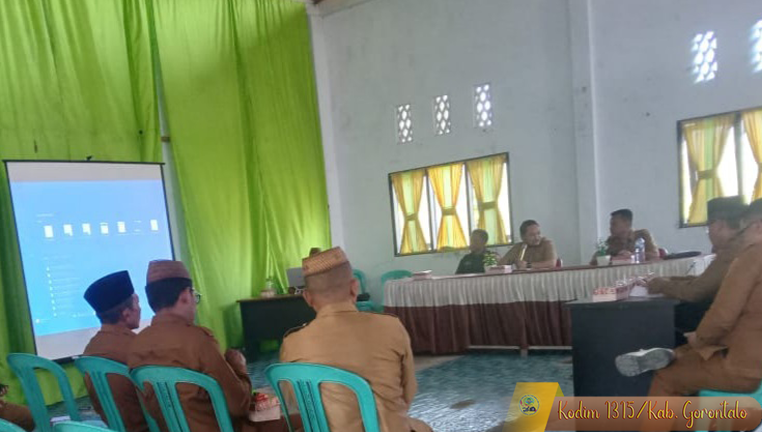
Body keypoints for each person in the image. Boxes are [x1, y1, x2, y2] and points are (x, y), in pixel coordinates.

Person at [615, 198, 762, 398]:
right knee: (692, 349)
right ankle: (674, 354)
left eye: (743, 231)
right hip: (748, 351)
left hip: (746, 365)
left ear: (758, 227)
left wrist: (700, 338)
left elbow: (722, 315)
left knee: (666, 376)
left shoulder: (752, 255)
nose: (741, 238)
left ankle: (671, 357)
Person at [128, 260, 293, 432]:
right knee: (298, 420)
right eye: (194, 295)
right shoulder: (198, 340)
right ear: (185, 295)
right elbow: (239, 406)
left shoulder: (136, 346)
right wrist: (239, 368)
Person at [280, 247, 432, 432]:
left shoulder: (293, 343)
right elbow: (408, 391)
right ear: (354, 288)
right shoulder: (391, 327)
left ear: (308, 298)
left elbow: (297, 402)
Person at [647, 197, 747, 340]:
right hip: (736, 321)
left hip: (728, 327)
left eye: (708, 227)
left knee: (659, 318)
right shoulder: (739, 246)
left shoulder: (732, 251)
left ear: (719, 225)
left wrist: (662, 285)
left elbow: (696, 292)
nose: (708, 233)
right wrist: (670, 280)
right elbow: (707, 281)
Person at [82, 271, 148, 432]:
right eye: (137, 303)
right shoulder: (139, 348)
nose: (140, 309)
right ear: (126, 314)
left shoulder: (90, 350)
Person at [590, 209, 658, 265]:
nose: (610, 228)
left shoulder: (642, 235)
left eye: (614, 224)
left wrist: (631, 256)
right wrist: (613, 258)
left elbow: (655, 255)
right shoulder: (612, 241)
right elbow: (594, 261)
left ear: (627, 223)